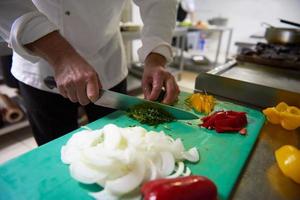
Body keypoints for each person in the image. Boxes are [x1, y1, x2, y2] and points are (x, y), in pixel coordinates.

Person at [0, 0, 180, 146]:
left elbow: (160, 2)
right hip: (41, 65)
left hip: (107, 61)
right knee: (54, 149)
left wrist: (156, 56)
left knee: (117, 145)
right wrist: (61, 56)